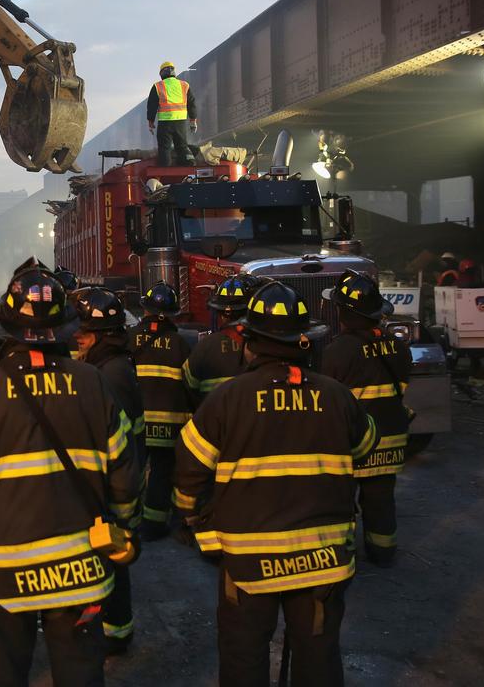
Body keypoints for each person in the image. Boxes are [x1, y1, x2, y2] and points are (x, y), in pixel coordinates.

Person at [0, 260, 140, 687]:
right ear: (66, 328)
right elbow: (124, 472)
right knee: (81, 671)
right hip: (80, 566)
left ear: (5, 328)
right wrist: (123, 529)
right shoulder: (93, 381)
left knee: (1, 672)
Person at [175, 281, 377, 687]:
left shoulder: (227, 400)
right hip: (324, 560)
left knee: (243, 654)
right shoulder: (337, 397)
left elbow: (188, 476)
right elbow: (366, 447)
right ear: (304, 340)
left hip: (248, 561)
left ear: (250, 341)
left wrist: (204, 530)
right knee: (318, 655)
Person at [71, 287, 144, 653]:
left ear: (97, 336)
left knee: (112, 560)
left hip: (111, 483)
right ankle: (116, 629)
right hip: (115, 478)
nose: (77, 344)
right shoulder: (112, 364)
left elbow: (117, 443)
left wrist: (123, 506)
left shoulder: (108, 374)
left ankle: (116, 634)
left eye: (81, 337)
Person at [322, 271, 411, 567]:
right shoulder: (398, 346)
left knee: (341, 501)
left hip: (354, 441)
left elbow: (327, 401)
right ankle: (383, 551)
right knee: (381, 498)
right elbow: (403, 387)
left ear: (343, 313)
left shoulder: (336, 351)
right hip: (391, 437)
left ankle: (344, 554)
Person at [126, 281, 193, 542]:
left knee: (135, 468)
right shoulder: (181, 343)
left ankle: (130, 521)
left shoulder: (130, 338)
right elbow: (190, 383)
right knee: (163, 472)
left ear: (145, 310)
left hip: (137, 422)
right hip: (170, 423)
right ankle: (154, 525)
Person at [182, 275, 261, 405]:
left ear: (219, 313)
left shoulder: (205, 347)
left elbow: (188, 385)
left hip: (214, 420)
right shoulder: (261, 345)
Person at [146, 61, 198, 166]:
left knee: (165, 148)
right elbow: (191, 104)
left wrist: (150, 122)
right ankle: (187, 168)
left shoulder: (157, 86)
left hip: (165, 123)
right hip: (181, 123)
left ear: (161, 73)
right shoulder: (184, 85)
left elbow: (151, 106)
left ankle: (165, 171)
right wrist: (193, 121)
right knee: (182, 146)